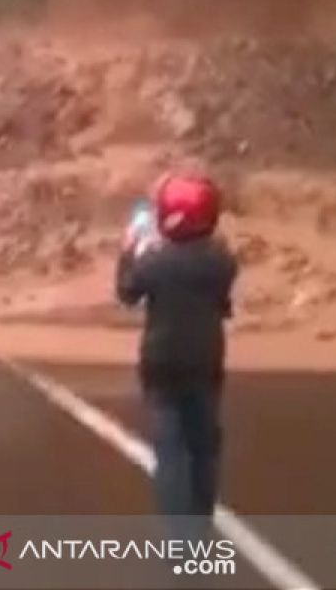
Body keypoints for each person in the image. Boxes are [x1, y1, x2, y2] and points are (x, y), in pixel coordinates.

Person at [115, 171, 238, 541]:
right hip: (205, 361)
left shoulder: (156, 261)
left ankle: (177, 539)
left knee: (170, 451)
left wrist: (128, 250)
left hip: (161, 363)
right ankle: (200, 527)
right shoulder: (222, 260)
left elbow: (127, 293)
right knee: (204, 447)